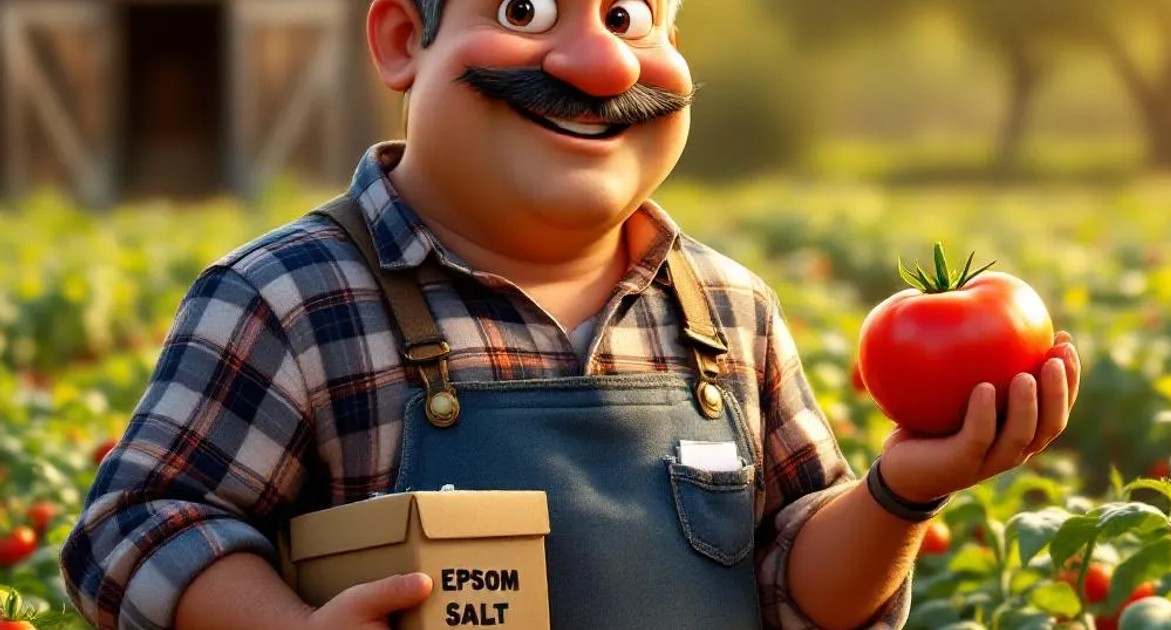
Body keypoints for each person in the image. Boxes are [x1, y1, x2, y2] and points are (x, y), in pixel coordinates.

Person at [59, 0, 1082, 628]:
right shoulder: (289, 298)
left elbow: (797, 585)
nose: (598, 68)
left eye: (631, 16)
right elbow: (133, 529)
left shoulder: (729, 308)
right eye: (527, 8)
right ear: (404, 38)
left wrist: (904, 491)